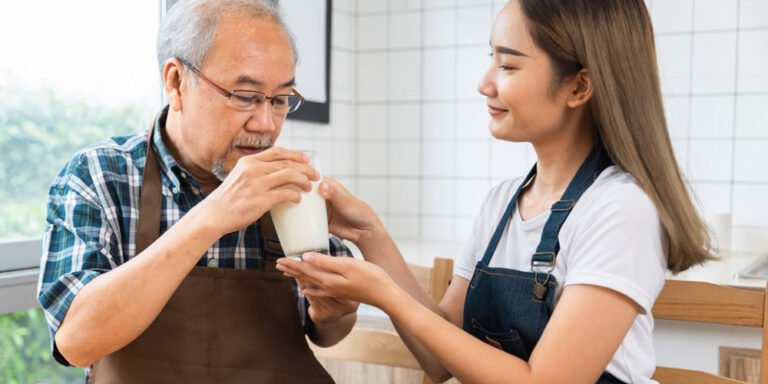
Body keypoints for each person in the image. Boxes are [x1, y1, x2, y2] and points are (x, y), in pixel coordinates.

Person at [277, 0, 715, 383]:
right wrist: (370, 236)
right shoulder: (503, 204)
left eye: (507, 65)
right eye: (492, 59)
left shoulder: (619, 209)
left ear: (579, 86)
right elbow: (438, 357)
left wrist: (386, 293)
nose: (484, 83)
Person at [37, 0, 356, 382]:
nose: (267, 123)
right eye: (244, 96)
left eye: (280, 99)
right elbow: (77, 343)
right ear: (175, 82)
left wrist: (334, 312)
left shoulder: (289, 182)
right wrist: (210, 217)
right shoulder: (100, 176)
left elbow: (328, 331)